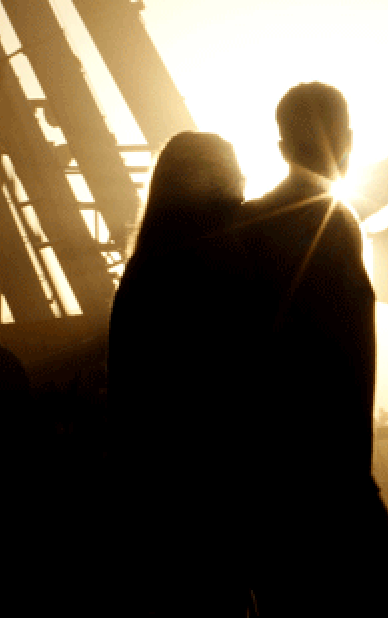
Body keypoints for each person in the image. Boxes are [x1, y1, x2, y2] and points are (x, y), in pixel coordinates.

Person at [235, 82, 388, 617]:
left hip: (269, 492)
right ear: (349, 140)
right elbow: (349, 362)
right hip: (333, 487)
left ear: (282, 146)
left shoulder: (246, 225)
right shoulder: (336, 225)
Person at [108, 131, 249, 616]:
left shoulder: (142, 278)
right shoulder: (215, 282)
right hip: (207, 511)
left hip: (154, 512)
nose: (245, 188)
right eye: (234, 178)